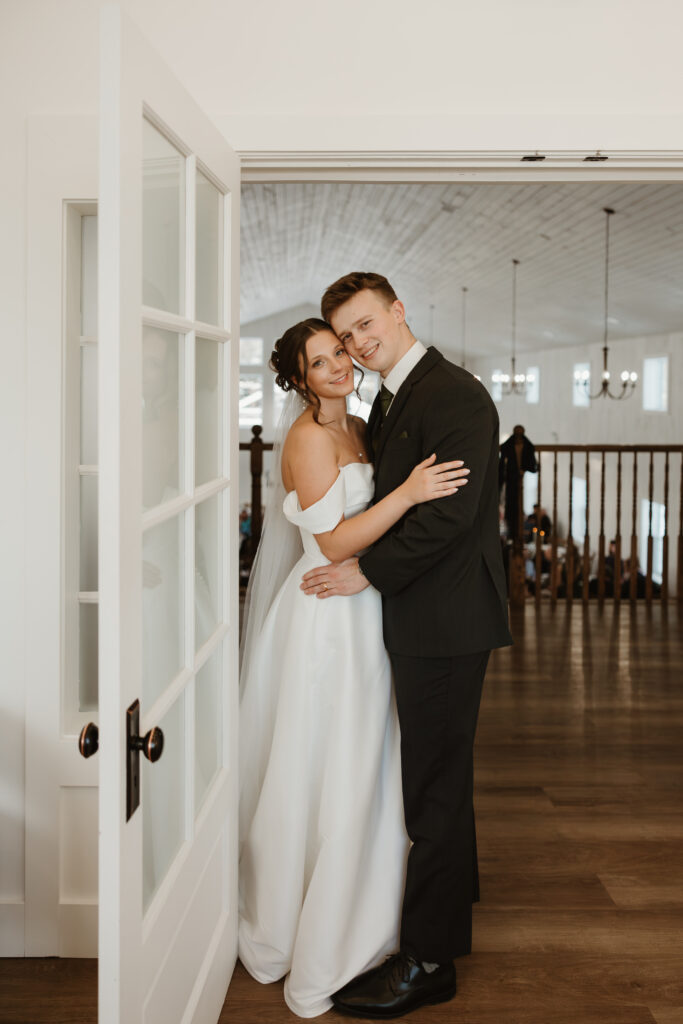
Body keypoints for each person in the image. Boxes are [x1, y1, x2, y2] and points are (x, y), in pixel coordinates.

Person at [238, 318, 470, 1018]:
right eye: (318, 362)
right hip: (326, 616)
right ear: (298, 380)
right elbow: (333, 539)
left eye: (338, 351)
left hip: (368, 606)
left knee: (371, 759)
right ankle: (308, 922)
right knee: (327, 761)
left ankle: (368, 915)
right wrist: (407, 494)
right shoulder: (308, 439)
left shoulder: (366, 425)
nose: (337, 365)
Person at [301, 272, 512, 1018]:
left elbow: (447, 519)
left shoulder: (452, 395)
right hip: (425, 612)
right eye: (347, 334)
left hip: (445, 619)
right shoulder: (393, 394)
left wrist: (365, 572)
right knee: (438, 774)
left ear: (397, 311)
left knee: (433, 784)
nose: (359, 342)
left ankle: (428, 961)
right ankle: (451, 905)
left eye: (365, 324)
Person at [499, 425, 538, 542]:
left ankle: (517, 533)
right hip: (511, 478)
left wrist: (524, 469)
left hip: (520, 476)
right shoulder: (508, 445)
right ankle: (512, 532)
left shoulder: (528, 445)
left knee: (518, 503)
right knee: (511, 503)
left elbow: (532, 463)